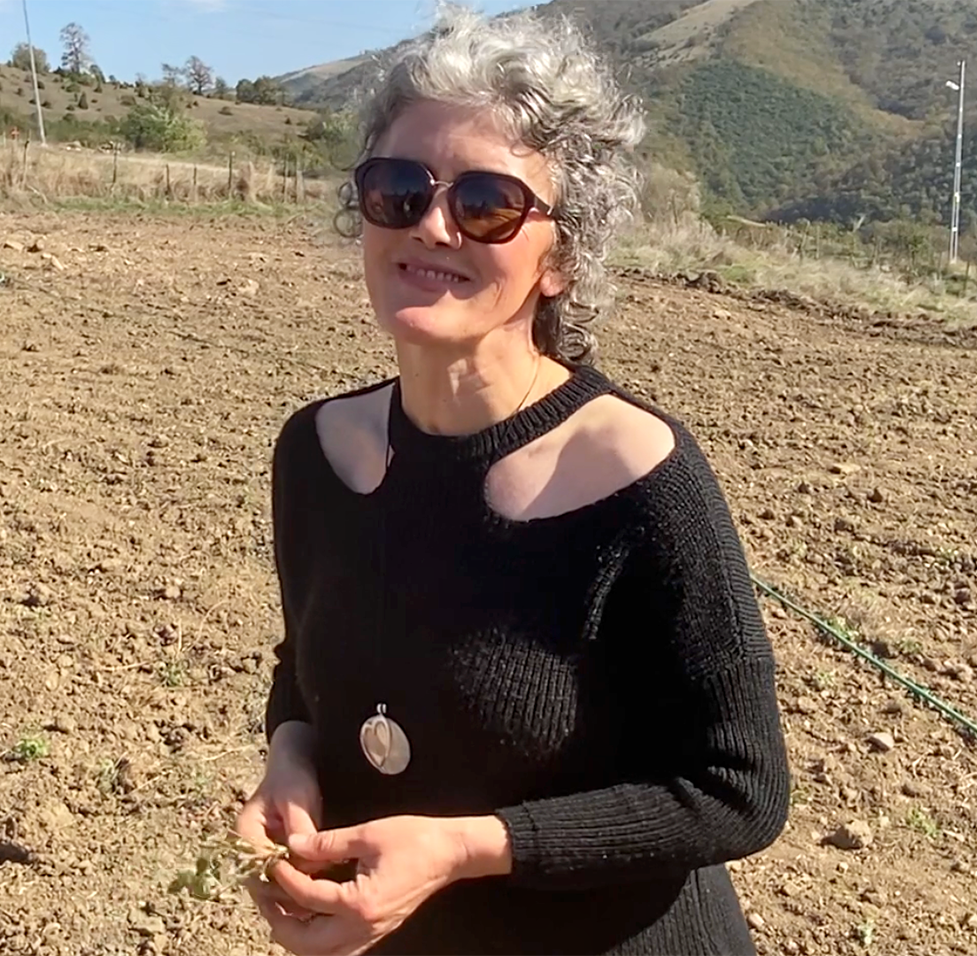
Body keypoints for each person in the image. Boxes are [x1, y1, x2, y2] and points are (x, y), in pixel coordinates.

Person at [234, 5, 792, 954]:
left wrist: (467, 847)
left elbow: (740, 788)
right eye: (399, 188)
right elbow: (308, 668)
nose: (431, 225)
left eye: (487, 204)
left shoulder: (637, 476)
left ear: (561, 258)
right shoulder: (316, 453)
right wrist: (290, 760)